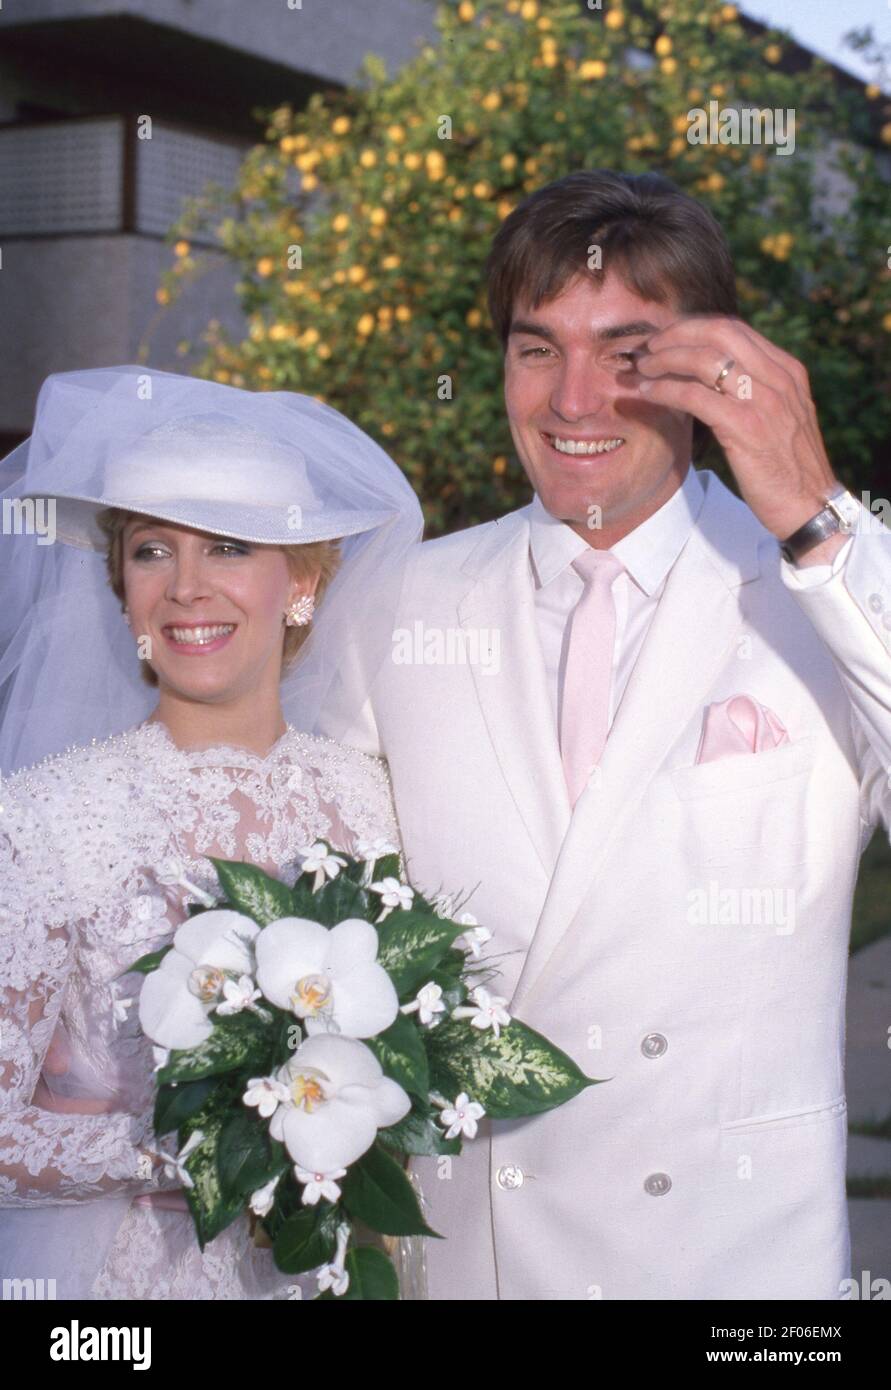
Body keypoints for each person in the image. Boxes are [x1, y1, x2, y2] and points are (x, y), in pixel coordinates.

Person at [317, 169, 891, 1300]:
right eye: (538, 350)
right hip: (477, 1259)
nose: (574, 400)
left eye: (629, 354)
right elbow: (325, 901)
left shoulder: (818, 589)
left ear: (712, 367)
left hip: (739, 1271)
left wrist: (816, 512)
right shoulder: (398, 606)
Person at [0, 366, 422, 1299]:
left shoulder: (374, 802)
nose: (185, 588)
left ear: (303, 579)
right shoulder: (42, 817)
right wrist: (198, 1146)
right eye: (152, 551)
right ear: (119, 587)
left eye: (228, 547)